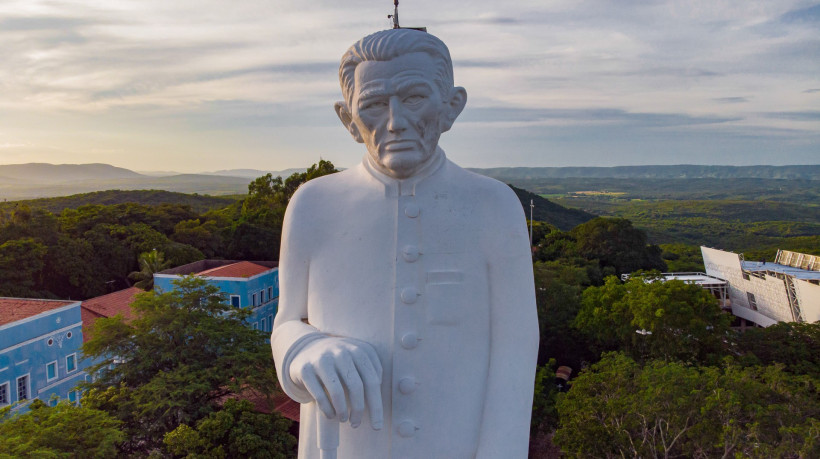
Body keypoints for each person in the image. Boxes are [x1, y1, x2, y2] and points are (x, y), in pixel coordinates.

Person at [271, 28, 538, 459]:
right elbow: (286, 321)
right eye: (374, 105)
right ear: (348, 120)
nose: (395, 122)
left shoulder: (494, 206)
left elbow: (516, 351)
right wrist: (304, 349)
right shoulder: (312, 205)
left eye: (414, 99)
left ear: (451, 107)